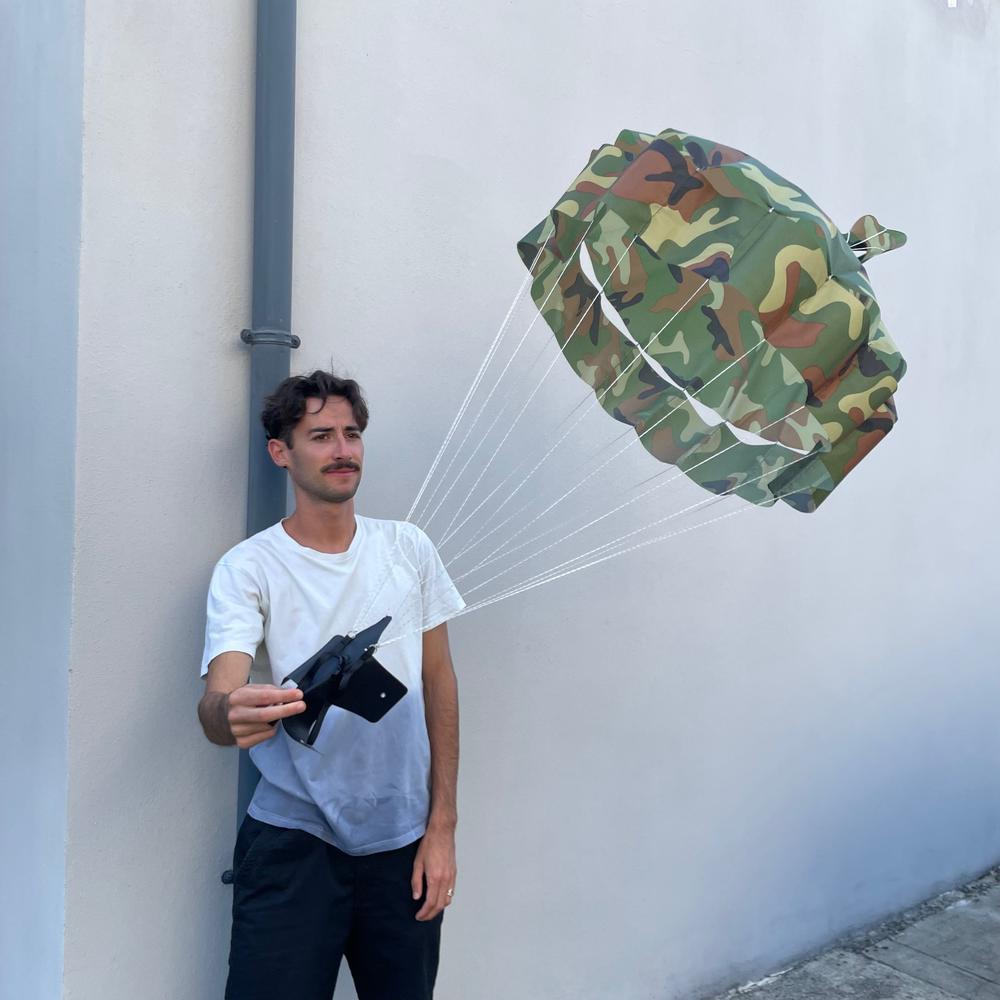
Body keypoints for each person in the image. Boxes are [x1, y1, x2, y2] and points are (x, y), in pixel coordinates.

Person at [197, 370, 465, 1000]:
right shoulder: (248, 567)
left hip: (404, 845)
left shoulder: (409, 548)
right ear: (281, 452)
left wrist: (442, 828)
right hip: (293, 845)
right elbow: (217, 703)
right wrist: (229, 713)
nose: (343, 450)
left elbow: (439, 683)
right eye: (321, 436)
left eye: (351, 434)